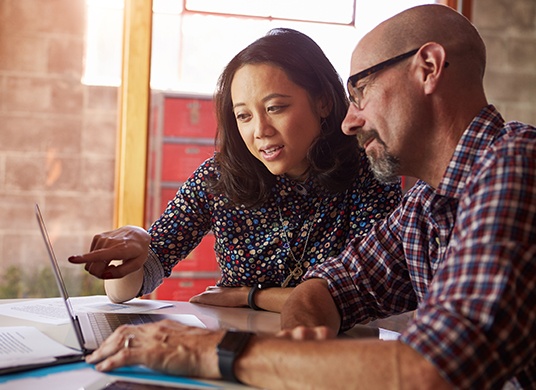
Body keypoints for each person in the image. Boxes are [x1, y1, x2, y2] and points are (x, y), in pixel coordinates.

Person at [80, 4, 536, 389]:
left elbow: (435, 370)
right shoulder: (426, 206)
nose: (350, 120)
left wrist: (214, 350)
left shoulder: (515, 164)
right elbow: (332, 288)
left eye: (361, 91)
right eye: (243, 115)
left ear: (429, 68)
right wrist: (295, 359)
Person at [68, 28, 401, 312]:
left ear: (323, 102)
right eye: (244, 115)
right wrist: (137, 248)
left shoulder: (367, 171)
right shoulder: (220, 177)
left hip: (334, 358)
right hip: (237, 353)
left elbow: (369, 293)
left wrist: (251, 297)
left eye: (275, 108)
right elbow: (127, 290)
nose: (260, 130)